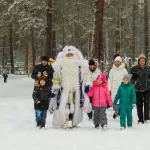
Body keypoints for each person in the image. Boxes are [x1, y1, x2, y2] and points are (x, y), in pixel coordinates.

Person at [51, 46, 92, 128]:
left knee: (75, 105)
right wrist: (56, 85)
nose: (69, 56)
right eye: (68, 55)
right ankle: (65, 120)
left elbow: (87, 74)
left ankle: (72, 120)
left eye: (71, 55)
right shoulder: (60, 65)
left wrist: (87, 84)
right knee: (64, 105)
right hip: (64, 89)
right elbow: (56, 76)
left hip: (76, 89)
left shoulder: (80, 65)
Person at [31, 56, 54, 123]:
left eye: (45, 61)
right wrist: (37, 77)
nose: (44, 62)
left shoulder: (50, 68)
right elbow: (32, 75)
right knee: (37, 96)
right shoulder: (37, 67)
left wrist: (48, 82)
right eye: (43, 61)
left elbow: (52, 76)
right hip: (38, 84)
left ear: (47, 61)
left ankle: (45, 110)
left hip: (46, 85)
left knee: (46, 98)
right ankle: (38, 115)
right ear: (41, 61)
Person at [130, 54, 150, 124]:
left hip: (147, 89)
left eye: (143, 60)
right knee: (139, 104)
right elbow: (132, 78)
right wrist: (133, 82)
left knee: (147, 104)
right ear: (138, 61)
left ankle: (147, 117)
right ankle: (140, 119)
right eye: (140, 61)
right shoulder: (135, 68)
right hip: (138, 89)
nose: (142, 62)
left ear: (145, 61)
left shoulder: (148, 68)